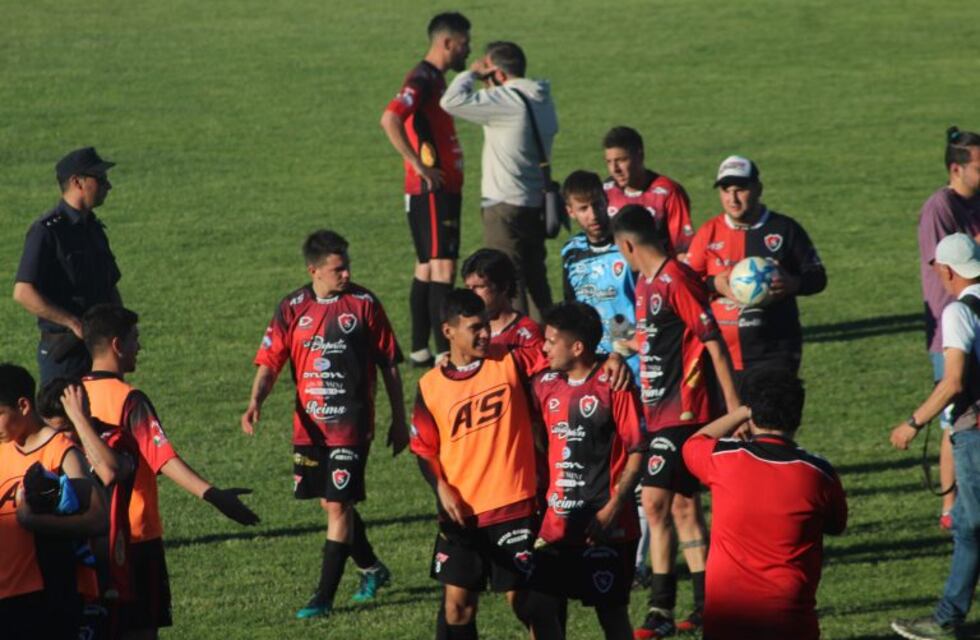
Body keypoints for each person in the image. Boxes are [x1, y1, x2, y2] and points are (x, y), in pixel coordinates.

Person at [242, 230, 407, 620]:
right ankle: (371, 567)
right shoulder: (292, 307)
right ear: (313, 270)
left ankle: (323, 597)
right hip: (310, 428)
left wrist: (400, 419)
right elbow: (270, 361)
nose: (346, 274)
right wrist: (254, 402)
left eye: (347, 266)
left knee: (336, 504)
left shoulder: (364, 304)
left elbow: (389, 364)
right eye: (337, 269)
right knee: (333, 502)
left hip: (352, 425)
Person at [81, 304, 258, 639]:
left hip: (89, 539)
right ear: (117, 345)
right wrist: (215, 496)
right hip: (135, 537)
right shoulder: (129, 400)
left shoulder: (71, 398)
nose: (139, 347)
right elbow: (162, 458)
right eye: (134, 339)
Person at [611, 204, 740, 639]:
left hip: (684, 411)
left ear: (627, 245)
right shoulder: (646, 284)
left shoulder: (674, 279)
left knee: (654, 503)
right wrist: (620, 347)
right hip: (658, 412)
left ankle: (660, 608)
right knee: (684, 507)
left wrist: (735, 410)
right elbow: (658, 339)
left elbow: (712, 342)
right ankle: (707, 606)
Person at [410, 289, 559, 640]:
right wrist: (440, 487)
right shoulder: (429, 386)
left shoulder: (510, 360)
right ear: (448, 331)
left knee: (530, 606)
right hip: (462, 513)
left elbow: (565, 355)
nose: (484, 334)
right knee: (457, 609)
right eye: (474, 328)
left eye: (486, 326)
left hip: (514, 506)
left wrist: (609, 360)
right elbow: (424, 448)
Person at [682, 368, 847, 640]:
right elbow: (836, 525)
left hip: (727, 616)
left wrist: (743, 411)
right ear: (798, 416)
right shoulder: (819, 474)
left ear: (752, 413)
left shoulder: (723, 460)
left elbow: (694, 442)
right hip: (789, 617)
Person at [530, 302, 646, 640]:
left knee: (611, 614)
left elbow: (638, 451)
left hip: (605, 525)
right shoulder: (544, 383)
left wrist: (613, 508)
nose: (544, 348)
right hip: (556, 524)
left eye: (552, 341)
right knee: (540, 609)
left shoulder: (614, 386)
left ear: (577, 347)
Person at [890, 233, 980, 640]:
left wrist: (913, 422)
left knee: (971, 527)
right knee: (966, 524)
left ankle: (946, 619)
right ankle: (949, 616)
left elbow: (954, 381)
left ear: (946, 271)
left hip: (974, 432)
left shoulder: (959, 312)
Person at [440, 40, 558, 321]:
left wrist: (472, 73)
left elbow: (450, 101)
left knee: (507, 286)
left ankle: (519, 344)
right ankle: (550, 339)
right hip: (535, 204)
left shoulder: (507, 101)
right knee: (537, 284)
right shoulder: (542, 98)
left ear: (499, 74)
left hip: (504, 206)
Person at [381, 12, 471, 367]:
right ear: (447, 42)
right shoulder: (422, 78)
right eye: (464, 43)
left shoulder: (434, 78)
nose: (468, 49)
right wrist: (419, 165)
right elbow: (390, 117)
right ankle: (445, 353)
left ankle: (420, 349)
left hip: (435, 189)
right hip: (433, 190)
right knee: (442, 269)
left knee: (426, 267)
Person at [685, 155, 827, 374]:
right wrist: (714, 284)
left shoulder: (785, 229)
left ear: (758, 189)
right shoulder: (708, 232)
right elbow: (685, 284)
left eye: (740, 189)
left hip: (775, 354)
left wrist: (793, 284)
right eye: (725, 190)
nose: (732, 199)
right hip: (721, 357)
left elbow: (818, 277)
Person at [0, 363, 108, 640]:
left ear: (23, 406)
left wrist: (35, 522)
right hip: (6, 594)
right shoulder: (3, 450)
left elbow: (98, 517)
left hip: (44, 595)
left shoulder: (62, 453)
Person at [37, 379, 139, 639]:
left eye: (67, 428)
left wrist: (80, 421)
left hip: (109, 575)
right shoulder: (46, 446)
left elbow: (109, 472)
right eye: (56, 431)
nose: (63, 438)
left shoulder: (116, 438)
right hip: (64, 575)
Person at [13, 147, 121, 384]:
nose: (108, 185)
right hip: (66, 354)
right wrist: (73, 323)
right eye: (100, 178)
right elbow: (23, 292)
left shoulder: (93, 228)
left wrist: (121, 325)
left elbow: (109, 284)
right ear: (77, 182)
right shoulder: (46, 232)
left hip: (100, 349)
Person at [918, 126, 980, 529]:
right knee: (954, 417)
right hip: (952, 330)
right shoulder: (940, 207)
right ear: (957, 169)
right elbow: (947, 266)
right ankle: (950, 508)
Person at [560, 170, 639, 378]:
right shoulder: (571, 252)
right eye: (583, 208)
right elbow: (572, 307)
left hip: (635, 359)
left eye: (597, 204)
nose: (593, 214)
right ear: (570, 211)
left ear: (606, 200)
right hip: (595, 364)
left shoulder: (628, 243)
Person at [602, 126, 694, 259]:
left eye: (621, 160)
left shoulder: (668, 193)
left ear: (640, 156)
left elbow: (682, 250)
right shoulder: (606, 191)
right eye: (609, 162)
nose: (614, 169)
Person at [461, 248, 542, 350]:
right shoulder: (463, 328)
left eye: (480, 287)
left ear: (504, 287)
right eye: (468, 287)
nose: (471, 294)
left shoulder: (527, 336)